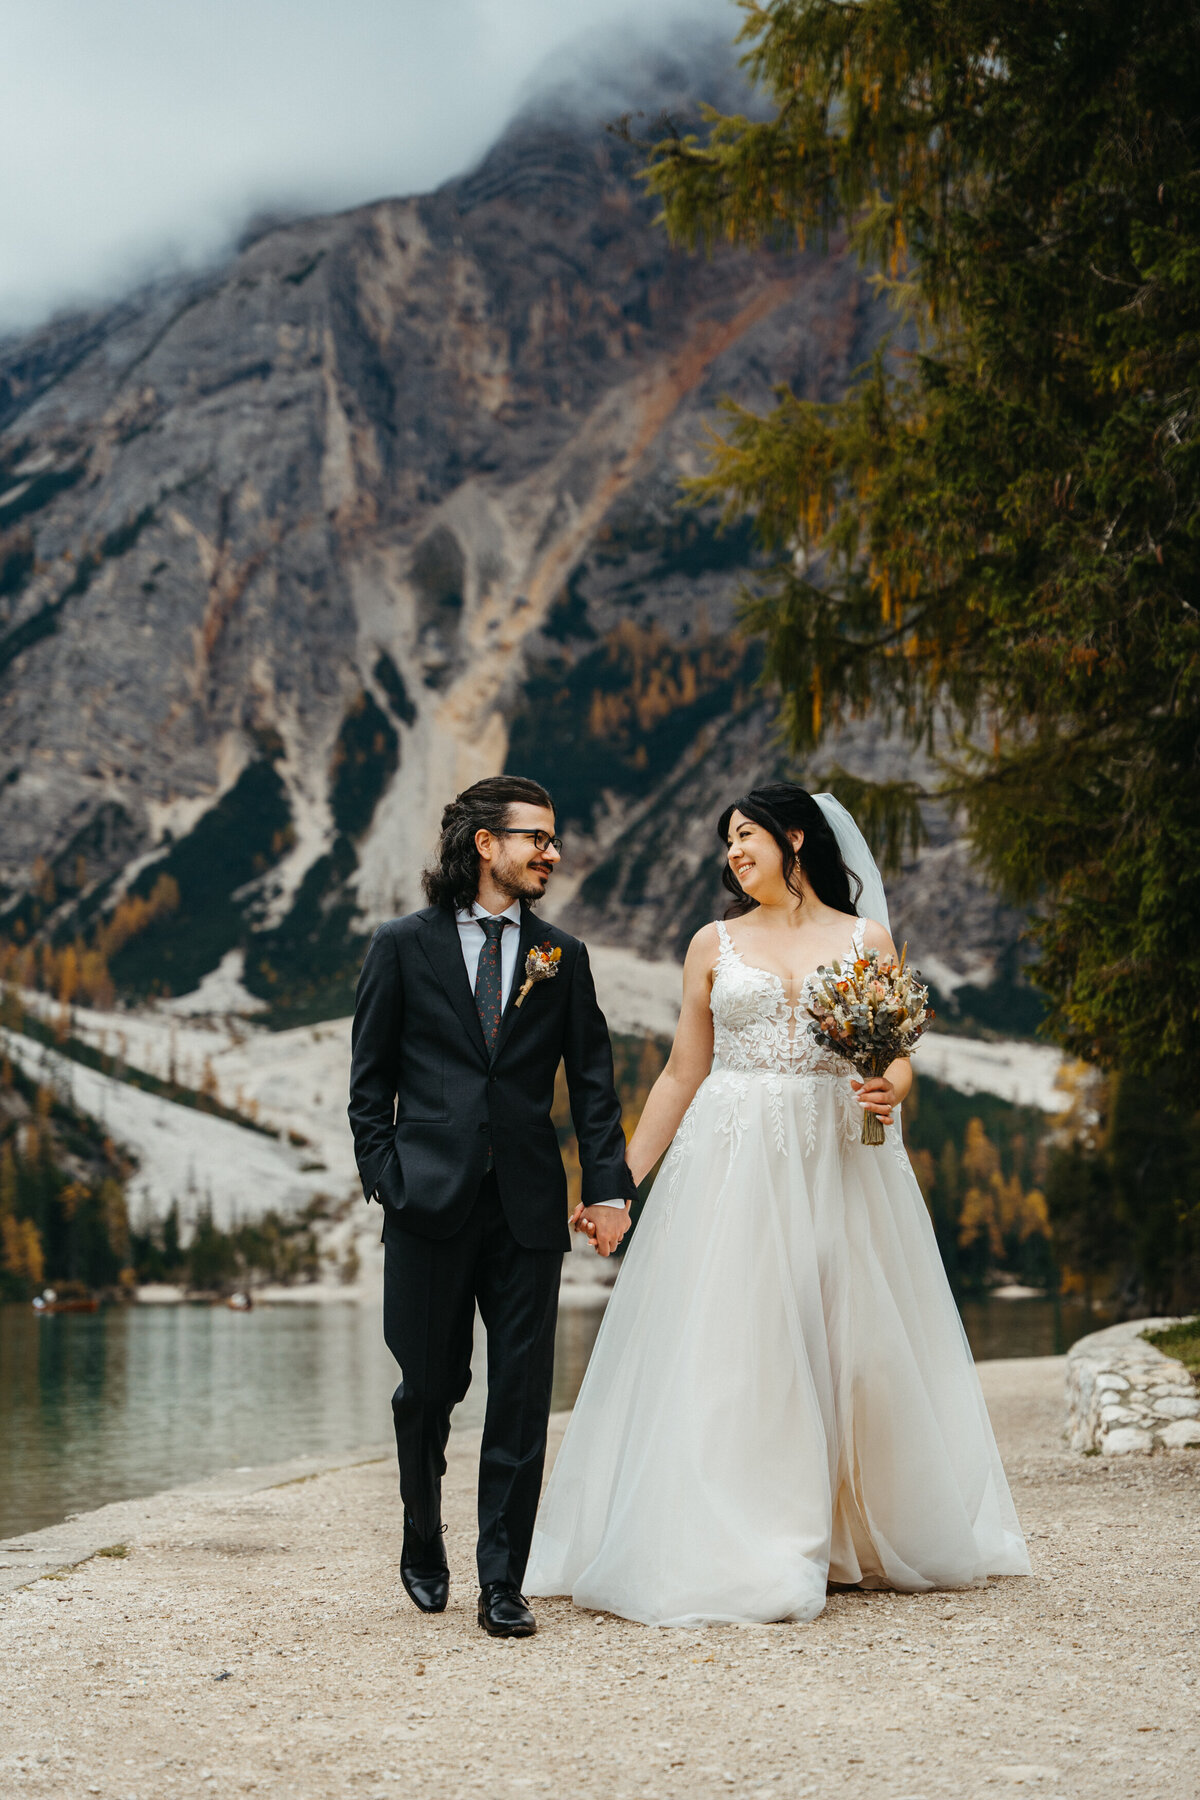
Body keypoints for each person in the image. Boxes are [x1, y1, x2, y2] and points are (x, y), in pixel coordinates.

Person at [526, 783, 1031, 1625]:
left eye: (747, 835)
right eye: (729, 842)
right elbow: (684, 1074)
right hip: (733, 1159)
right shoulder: (712, 943)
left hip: (838, 1155)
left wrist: (887, 1087)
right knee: (744, 1341)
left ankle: (852, 1532)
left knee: (852, 1343)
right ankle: (754, 1533)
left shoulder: (865, 937)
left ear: (796, 838)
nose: (734, 853)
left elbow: (899, 1055)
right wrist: (616, 1186)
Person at [348, 776, 636, 1638]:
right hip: (426, 1204)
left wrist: (609, 1185)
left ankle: (502, 1579)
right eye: (535, 838)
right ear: (484, 844)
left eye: (553, 839)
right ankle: (420, 1531)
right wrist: (386, 1176)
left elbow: (593, 1088)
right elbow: (369, 1086)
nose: (552, 852)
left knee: (519, 1396)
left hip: (527, 1211)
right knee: (428, 1390)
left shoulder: (563, 956)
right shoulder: (401, 946)